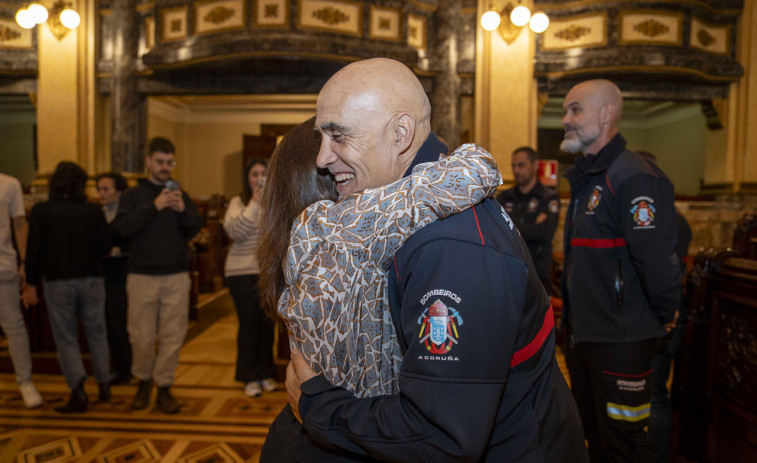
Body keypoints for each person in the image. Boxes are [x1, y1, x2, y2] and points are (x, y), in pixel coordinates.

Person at [283, 58, 588, 462]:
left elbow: (440, 437)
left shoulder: (449, 247)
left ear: (400, 133)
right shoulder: (419, 205)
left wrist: (318, 407)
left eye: (338, 137)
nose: (322, 158)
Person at [258, 117, 503, 462]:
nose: (334, 156)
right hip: (345, 442)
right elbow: (473, 172)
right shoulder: (332, 229)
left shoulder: (304, 241)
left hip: (316, 434)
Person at [559, 80, 681, 463]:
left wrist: (664, 315)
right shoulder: (587, 177)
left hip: (622, 340)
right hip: (585, 337)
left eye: (575, 110)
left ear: (606, 113)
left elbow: (657, 262)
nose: (566, 120)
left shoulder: (634, 176)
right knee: (592, 436)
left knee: (624, 445)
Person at [113, 137, 202, 414]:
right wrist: (155, 206)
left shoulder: (179, 193)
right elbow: (122, 228)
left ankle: (164, 387)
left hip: (176, 275)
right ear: (149, 162)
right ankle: (143, 382)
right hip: (141, 276)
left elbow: (195, 227)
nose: (166, 168)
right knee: (140, 336)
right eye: (161, 162)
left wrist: (181, 209)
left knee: (172, 336)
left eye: (169, 163)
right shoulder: (132, 195)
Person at [23, 161, 112, 413]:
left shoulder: (42, 211)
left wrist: (30, 283)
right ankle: (104, 384)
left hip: (58, 281)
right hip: (92, 280)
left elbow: (33, 252)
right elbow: (105, 246)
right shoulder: (93, 211)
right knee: (97, 332)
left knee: (66, 338)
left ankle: (78, 390)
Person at [635, 151, 693, 463]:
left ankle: (656, 455)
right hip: (665, 312)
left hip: (662, 315)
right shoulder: (673, 216)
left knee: (654, 393)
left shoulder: (659, 218)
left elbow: (658, 271)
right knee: (652, 392)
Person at [223, 158, 276, 398]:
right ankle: (248, 377)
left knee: (267, 324)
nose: (258, 178)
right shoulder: (238, 202)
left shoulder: (276, 201)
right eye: (254, 174)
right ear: (247, 179)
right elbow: (235, 232)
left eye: (262, 173)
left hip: (266, 272)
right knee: (249, 324)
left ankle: (265, 373)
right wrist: (254, 202)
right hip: (240, 272)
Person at [0, 172, 43, 409]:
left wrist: (26, 262)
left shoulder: (9, 184)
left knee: (14, 327)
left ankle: (25, 382)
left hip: (3, 266)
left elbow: (19, 224)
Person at [495, 146, 560, 293]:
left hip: (538, 271)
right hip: (509, 269)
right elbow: (497, 231)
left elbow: (546, 232)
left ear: (535, 165)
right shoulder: (504, 197)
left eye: (521, 165)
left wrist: (512, 228)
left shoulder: (548, 197)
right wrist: (532, 226)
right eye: (513, 166)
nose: (516, 170)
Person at [96, 172, 132, 386]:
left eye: (106, 189)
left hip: (122, 275)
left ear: (118, 192)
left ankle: (127, 368)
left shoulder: (126, 214)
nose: (101, 193)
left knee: (121, 323)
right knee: (107, 323)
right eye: (99, 189)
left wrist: (118, 250)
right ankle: (117, 368)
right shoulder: (97, 214)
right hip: (102, 275)